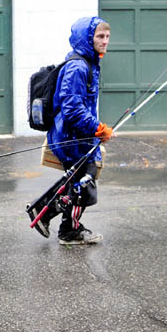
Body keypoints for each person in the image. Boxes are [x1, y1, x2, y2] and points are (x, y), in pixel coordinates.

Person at [46, 16, 113, 245]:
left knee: (77, 182)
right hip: (71, 138)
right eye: (100, 37)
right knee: (84, 183)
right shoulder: (78, 66)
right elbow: (73, 108)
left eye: (107, 37)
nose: (105, 41)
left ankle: (50, 217)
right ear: (87, 38)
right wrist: (98, 128)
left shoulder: (89, 63)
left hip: (78, 136)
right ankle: (69, 231)